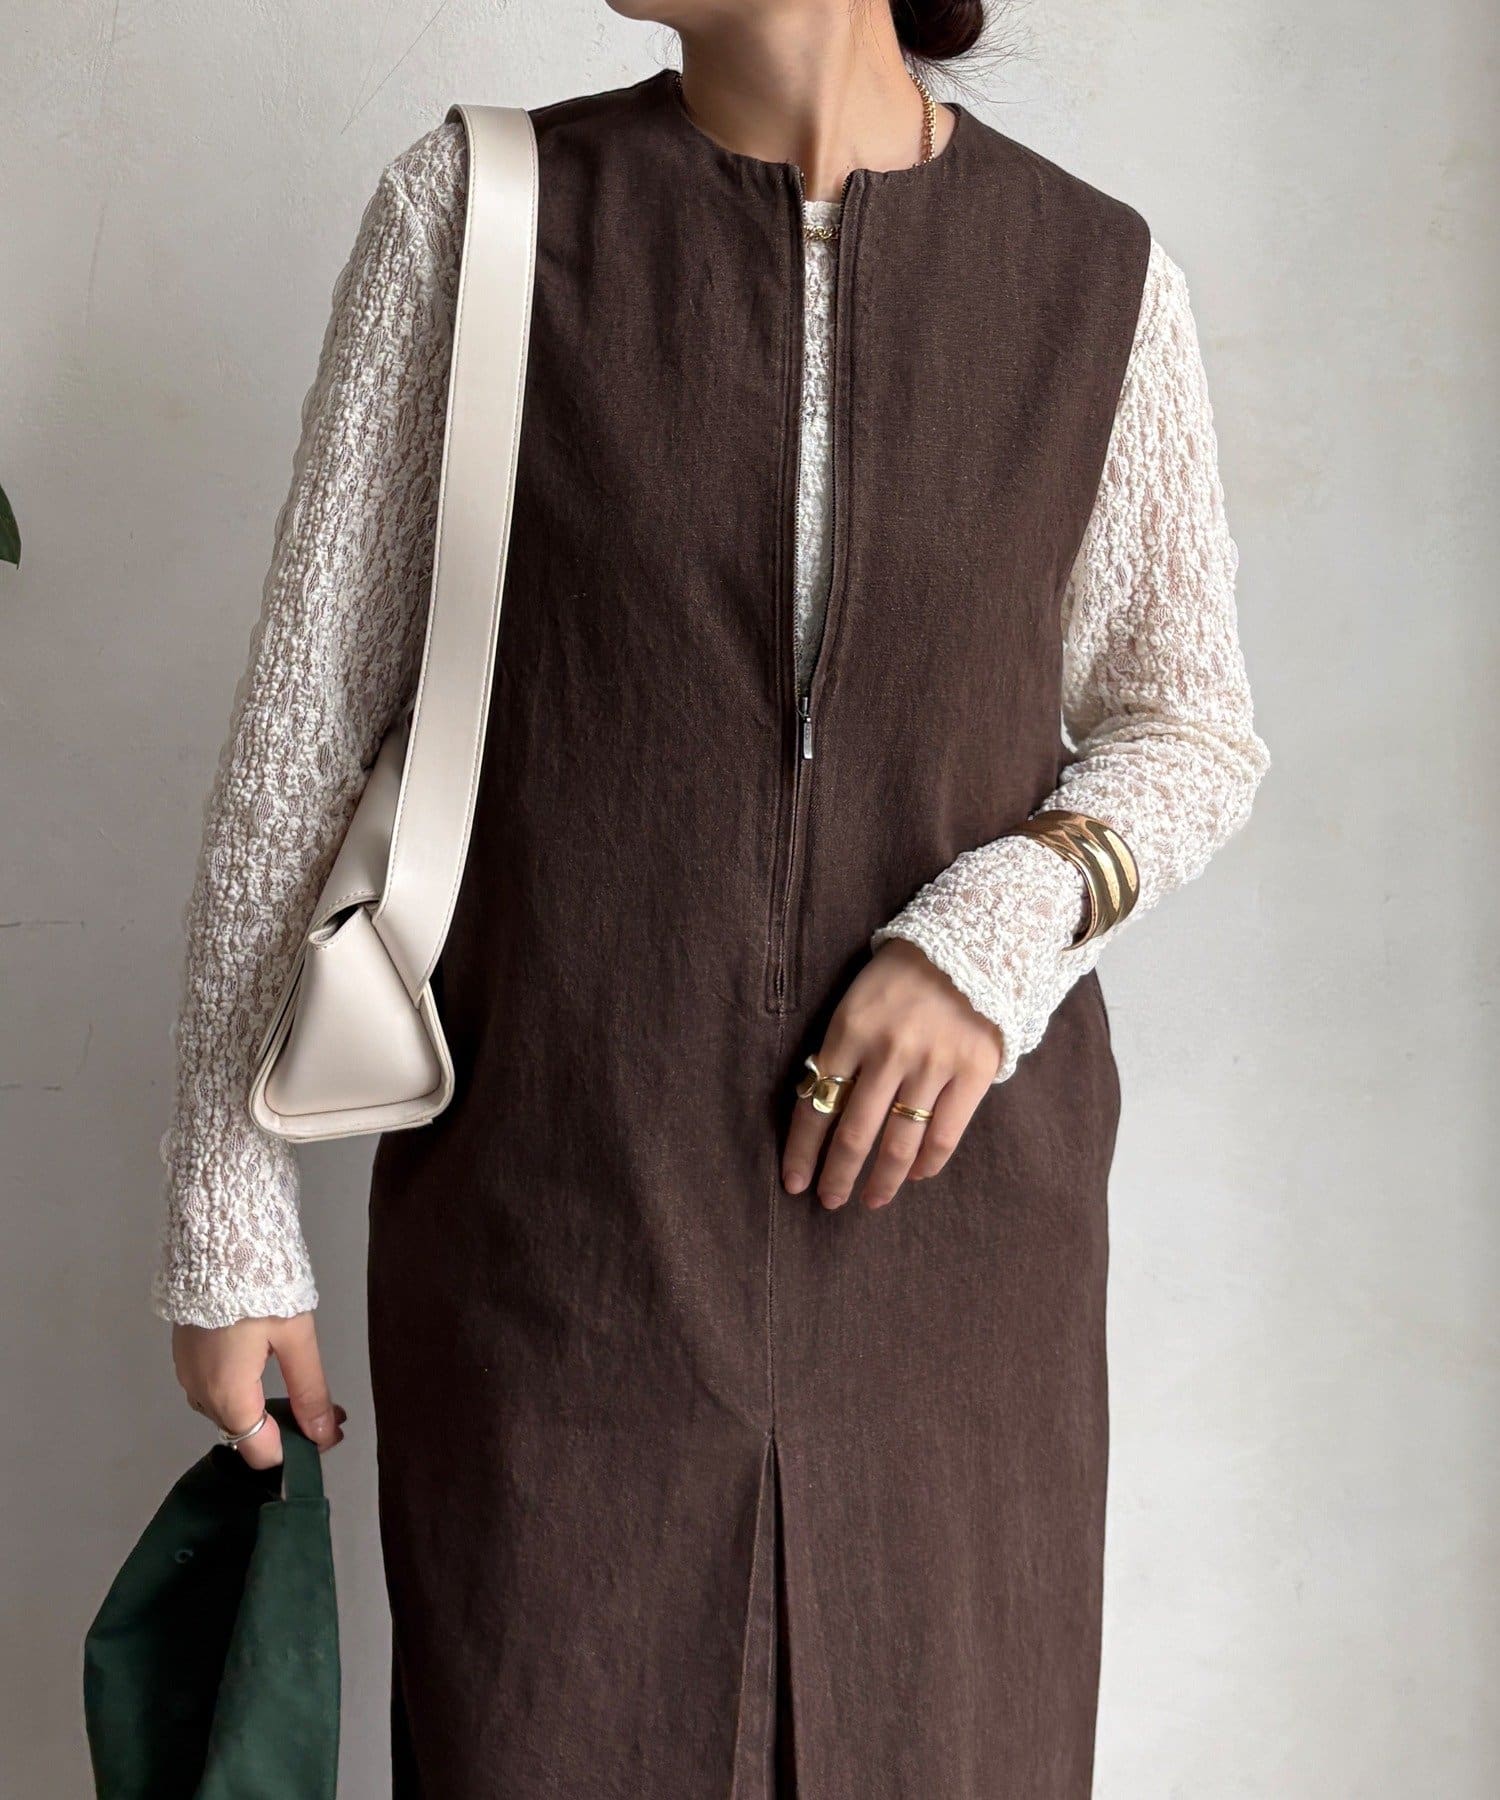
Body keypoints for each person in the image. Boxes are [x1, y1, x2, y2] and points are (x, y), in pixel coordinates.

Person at [156, 2, 1269, 1793]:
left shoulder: (1096, 282)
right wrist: (229, 1212)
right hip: (560, 1250)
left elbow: (1189, 724)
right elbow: (303, 734)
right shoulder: (478, 217)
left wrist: (994, 935)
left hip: (953, 1276)